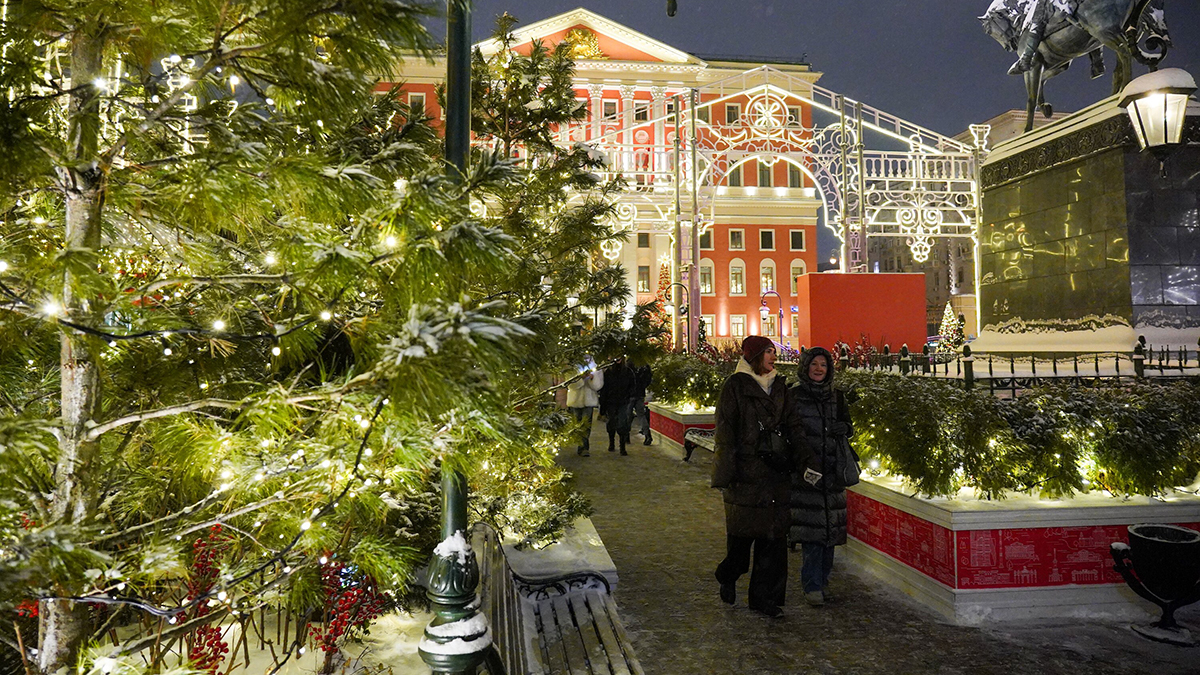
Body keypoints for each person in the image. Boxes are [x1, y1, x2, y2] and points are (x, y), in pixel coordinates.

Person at [711, 336, 808, 618]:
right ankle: (728, 575)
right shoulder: (735, 386)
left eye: (773, 352)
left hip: (775, 473)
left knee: (773, 542)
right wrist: (725, 473)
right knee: (741, 544)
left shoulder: (780, 386)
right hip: (745, 475)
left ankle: (764, 599)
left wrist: (804, 459)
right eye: (768, 352)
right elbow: (725, 434)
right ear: (754, 356)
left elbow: (794, 426)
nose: (773, 357)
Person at [787, 346, 853, 607]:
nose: (818, 369)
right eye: (814, 364)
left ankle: (822, 581)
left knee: (830, 533)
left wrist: (844, 428)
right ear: (805, 367)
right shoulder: (794, 397)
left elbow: (849, 427)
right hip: (808, 472)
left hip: (834, 472)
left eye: (823, 365)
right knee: (813, 534)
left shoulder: (836, 397)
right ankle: (812, 585)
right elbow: (789, 432)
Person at [565, 355, 603, 457]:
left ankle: (584, 447)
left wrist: (592, 378)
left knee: (586, 424)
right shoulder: (573, 367)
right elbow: (570, 384)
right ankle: (580, 444)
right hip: (575, 400)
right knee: (577, 424)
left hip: (589, 400)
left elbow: (598, 385)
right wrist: (580, 379)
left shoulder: (595, 367)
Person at [599, 355, 636, 455]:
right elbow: (604, 390)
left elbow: (632, 386)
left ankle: (622, 446)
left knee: (622, 423)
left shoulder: (628, 372)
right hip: (611, 402)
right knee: (611, 422)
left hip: (623, 402)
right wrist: (603, 406)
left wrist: (628, 396)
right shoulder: (609, 372)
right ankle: (611, 442)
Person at [631, 362, 654, 445]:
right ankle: (647, 435)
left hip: (631, 394)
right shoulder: (645, 366)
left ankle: (625, 436)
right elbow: (648, 379)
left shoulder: (629, 364)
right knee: (641, 415)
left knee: (628, 415)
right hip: (640, 393)